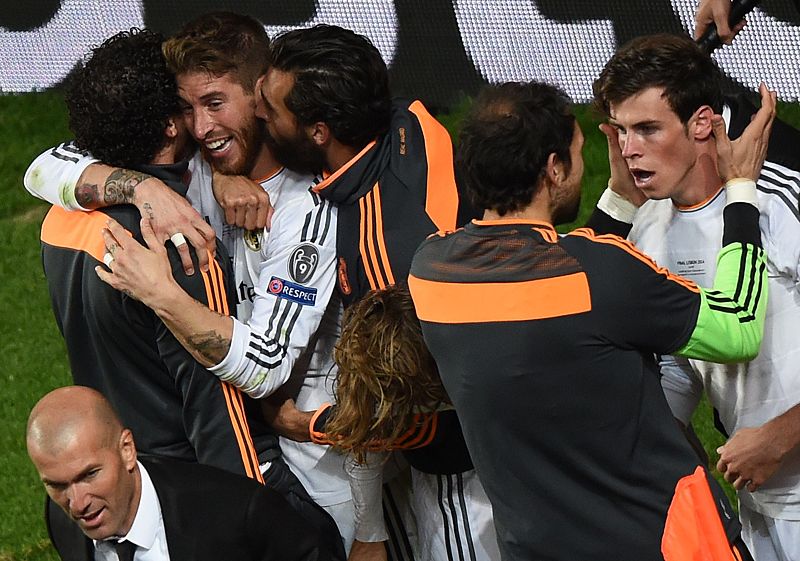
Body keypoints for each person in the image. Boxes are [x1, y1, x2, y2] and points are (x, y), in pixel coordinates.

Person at [408, 79, 776, 560]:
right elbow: (737, 328)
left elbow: (540, 280)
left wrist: (619, 201)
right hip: (664, 542)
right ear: (554, 168)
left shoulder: (432, 271)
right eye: (578, 153)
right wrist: (741, 190)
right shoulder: (602, 274)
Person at [593, 33, 800, 560]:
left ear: (703, 123)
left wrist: (781, 435)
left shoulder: (783, 206)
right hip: (754, 505)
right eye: (620, 131)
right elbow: (680, 367)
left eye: (646, 129)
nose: (628, 149)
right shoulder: (648, 229)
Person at [39, 27, 266, 481]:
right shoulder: (177, 243)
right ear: (169, 123)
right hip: (192, 481)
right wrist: (256, 516)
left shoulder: (58, 217)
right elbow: (217, 410)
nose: (198, 121)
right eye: (184, 106)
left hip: (129, 472)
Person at [27, 386, 328, 561]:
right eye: (57, 485)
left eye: (89, 475)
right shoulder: (62, 522)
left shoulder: (238, 515)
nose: (77, 503)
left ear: (127, 450)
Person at [326, 284, 501, 561]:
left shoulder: (484, 367)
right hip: (448, 479)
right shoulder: (389, 334)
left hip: (478, 480)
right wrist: (369, 534)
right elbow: (364, 435)